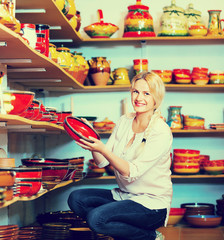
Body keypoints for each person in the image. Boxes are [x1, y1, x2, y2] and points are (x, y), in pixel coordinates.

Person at [67, 71, 173, 240]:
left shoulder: (161, 131)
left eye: (146, 93)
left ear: (156, 98)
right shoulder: (124, 121)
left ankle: (149, 236)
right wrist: (92, 139)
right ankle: (124, 231)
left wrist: (104, 149)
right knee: (76, 198)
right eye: (135, 92)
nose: (139, 98)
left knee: (96, 219)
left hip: (151, 205)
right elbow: (101, 162)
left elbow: (131, 172)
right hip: (123, 195)